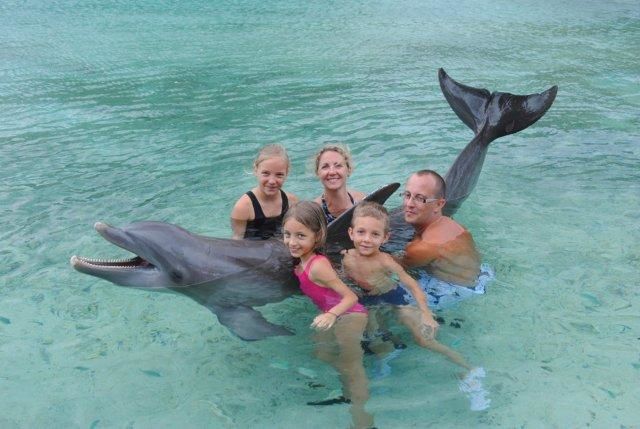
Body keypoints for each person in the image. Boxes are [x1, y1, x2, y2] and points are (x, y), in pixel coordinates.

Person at [342, 202, 474, 372]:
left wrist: (426, 313)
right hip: (369, 301)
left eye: (375, 234)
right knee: (373, 338)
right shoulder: (347, 257)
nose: (367, 239)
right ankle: (387, 361)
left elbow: (413, 286)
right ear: (351, 233)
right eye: (361, 232)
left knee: (425, 340)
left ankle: (468, 368)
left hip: (394, 298)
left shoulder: (386, 261)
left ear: (385, 238)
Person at [282, 201, 374, 429]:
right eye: (287, 234)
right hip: (333, 315)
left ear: (317, 235)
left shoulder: (318, 265)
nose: (292, 242)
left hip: (350, 315)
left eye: (301, 236)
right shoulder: (300, 264)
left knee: (352, 364)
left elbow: (352, 297)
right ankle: (347, 393)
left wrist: (332, 314)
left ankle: (362, 418)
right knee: (322, 353)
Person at [399, 170, 493, 310]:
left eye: (420, 198)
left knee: (386, 297)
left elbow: (390, 267)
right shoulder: (455, 225)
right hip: (483, 276)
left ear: (439, 204)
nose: (409, 204)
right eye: (407, 195)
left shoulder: (423, 247)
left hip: (454, 292)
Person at [230, 144, 298, 240]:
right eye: (266, 173)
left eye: (279, 175)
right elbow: (237, 241)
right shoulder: (243, 207)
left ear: (287, 173)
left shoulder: (292, 202)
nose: (272, 181)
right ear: (256, 170)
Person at [313, 144, 366, 223]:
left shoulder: (361, 201)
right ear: (318, 173)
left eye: (338, 166)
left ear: (348, 170)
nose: (332, 172)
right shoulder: (314, 212)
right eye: (325, 167)